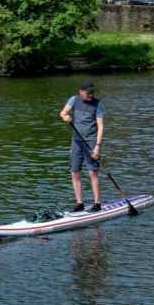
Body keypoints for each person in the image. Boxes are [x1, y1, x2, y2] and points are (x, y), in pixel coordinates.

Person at [59, 81, 105, 212]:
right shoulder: (74, 100)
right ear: (81, 91)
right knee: (74, 172)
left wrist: (97, 146)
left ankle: (97, 203)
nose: (91, 94)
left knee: (92, 173)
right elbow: (63, 113)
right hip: (76, 141)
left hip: (91, 141)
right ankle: (80, 204)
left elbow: (101, 126)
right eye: (88, 92)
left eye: (92, 92)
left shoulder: (98, 104)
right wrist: (65, 117)